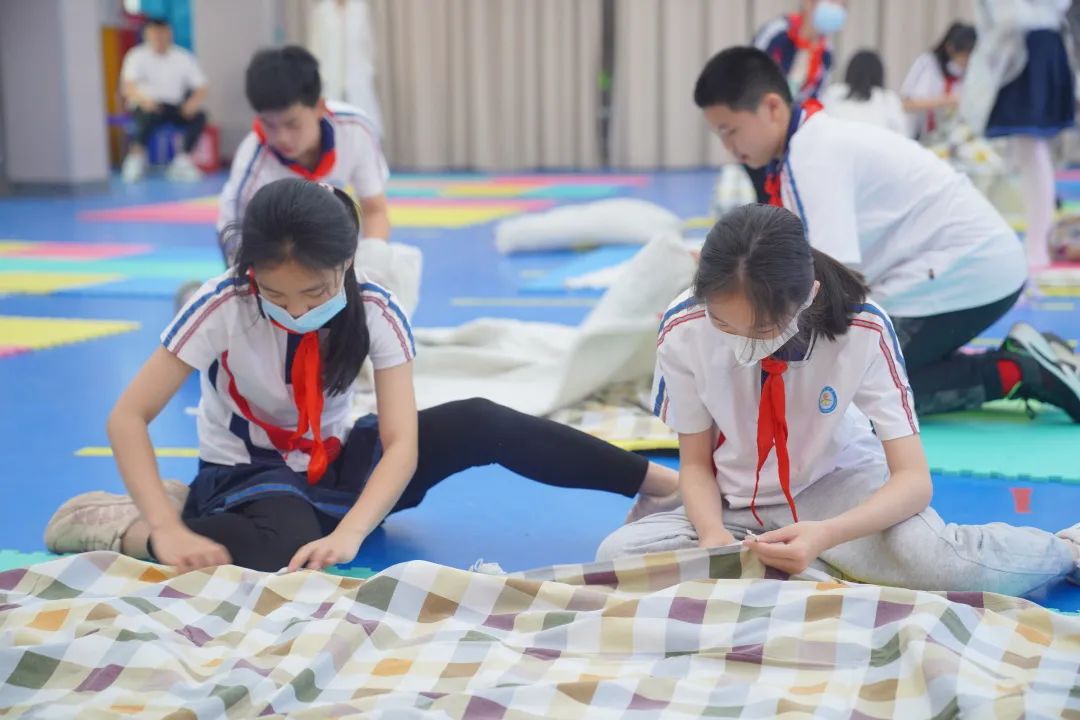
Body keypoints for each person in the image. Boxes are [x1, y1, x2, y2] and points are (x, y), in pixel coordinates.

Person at [44, 179, 679, 573]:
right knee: (287, 548)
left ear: (347, 263)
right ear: (251, 274)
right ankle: (130, 523)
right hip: (246, 471)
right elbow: (128, 417)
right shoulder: (223, 303)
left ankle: (661, 485)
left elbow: (401, 444)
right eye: (276, 294)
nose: (295, 310)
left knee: (480, 418)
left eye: (314, 292)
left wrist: (351, 535)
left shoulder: (374, 305)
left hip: (335, 460)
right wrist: (164, 531)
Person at [597, 204, 1080, 595]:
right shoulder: (684, 327)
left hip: (836, 491)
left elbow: (913, 481)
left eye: (761, 329)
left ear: (807, 295)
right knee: (617, 558)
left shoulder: (863, 329)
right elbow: (696, 465)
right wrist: (712, 538)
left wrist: (827, 533)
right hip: (731, 500)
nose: (741, 343)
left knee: (943, 564)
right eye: (723, 324)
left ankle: (1067, 549)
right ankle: (819, 570)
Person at [689, 46, 1080, 421]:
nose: (728, 147)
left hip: (970, 265)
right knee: (837, 379)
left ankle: (1020, 371)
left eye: (730, 131)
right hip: (958, 263)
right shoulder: (805, 144)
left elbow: (831, 287)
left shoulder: (810, 155)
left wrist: (767, 351)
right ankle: (1020, 359)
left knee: (848, 397)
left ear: (772, 107)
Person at [176, 45, 408, 313]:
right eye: (269, 125)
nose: (282, 137)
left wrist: (369, 269)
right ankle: (199, 299)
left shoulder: (355, 131)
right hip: (253, 238)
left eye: (292, 124)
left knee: (379, 277)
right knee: (255, 309)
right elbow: (240, 241)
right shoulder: (253, 163)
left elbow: (375, 209)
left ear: (319, 107)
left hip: (317, 230)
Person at [962, 0, 1076, 271]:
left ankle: (1038, 245)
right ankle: (1037, 243)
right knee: (1028, 152)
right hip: (1023, 45)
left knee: (1032, 150)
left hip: (1030, 48)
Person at [746, 0, 848, 202]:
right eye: (833, 2)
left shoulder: (826, 52)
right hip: (757, 126)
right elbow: (748, 73)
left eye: (843, 4)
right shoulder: (777, 33)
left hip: (790, 136)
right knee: (764, 194)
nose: (838, 8)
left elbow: (814, 98)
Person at [119, 17, 208, 183]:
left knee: (199, 116)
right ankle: (136, 159)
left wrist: (192, 104)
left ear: (170, 33)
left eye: (162, 32)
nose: (159, 37)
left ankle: (182, 161)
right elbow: (128, 87)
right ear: (146, 34)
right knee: (144, 115)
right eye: (154, 33)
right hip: (146, 105)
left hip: (174, 106)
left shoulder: (183, 57)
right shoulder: (136, 56)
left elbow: (201, 86)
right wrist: (145, 101)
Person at [901, 23, 977, 141]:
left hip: (952, 138)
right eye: (964, 57)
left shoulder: (970, 72)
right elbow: (906, 104)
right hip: (920, 135)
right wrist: (945, 100)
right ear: (950, 48)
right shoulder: (927, 63)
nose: (967, 62)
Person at [821, 50, 906, 134]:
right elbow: (902, 134)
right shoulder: (888, 99)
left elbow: (821, 125)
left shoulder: (833, 92)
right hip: (876, 142)